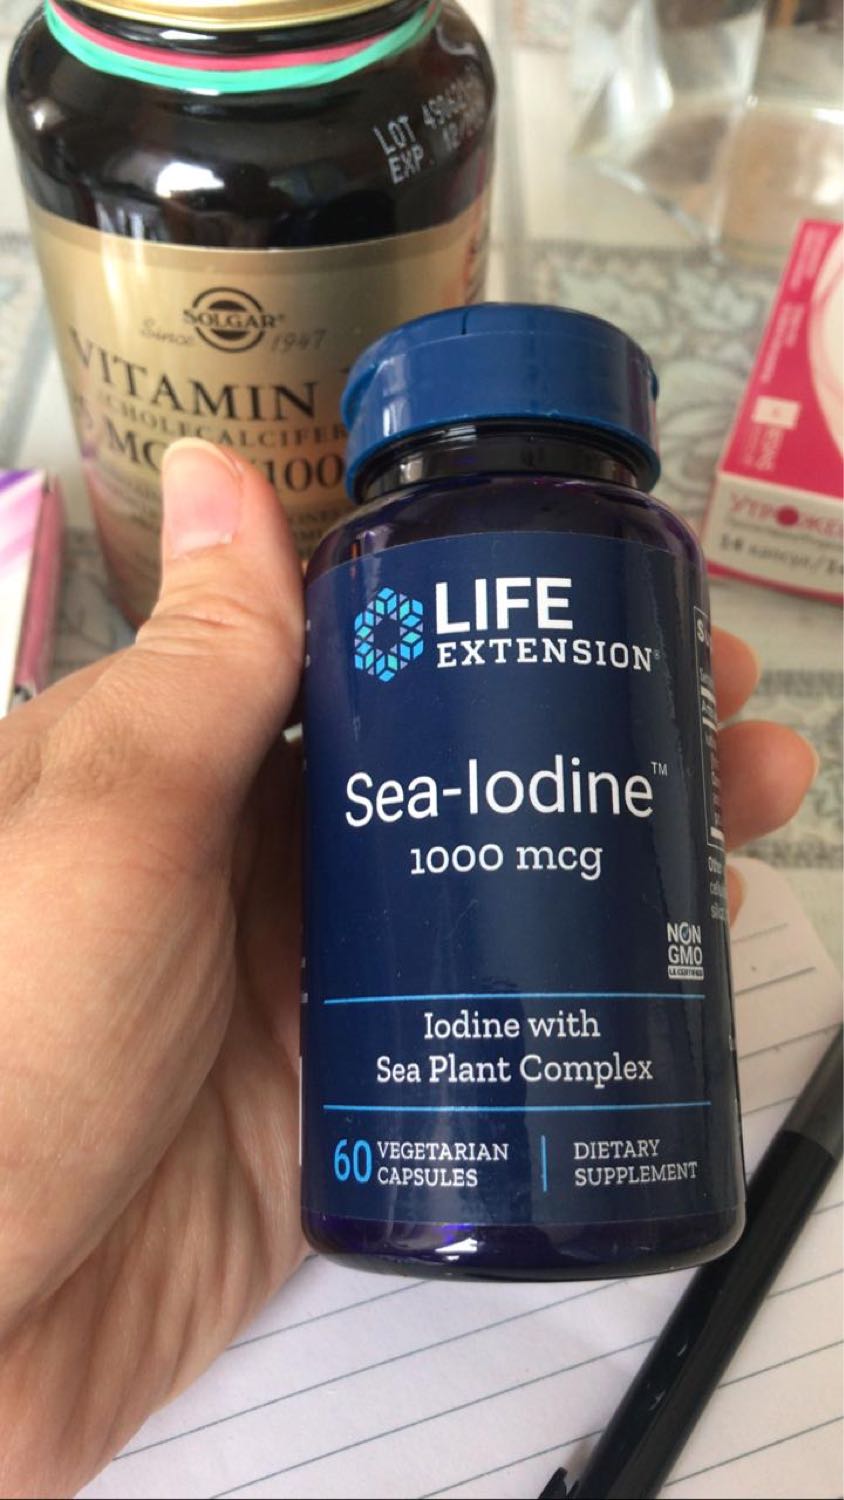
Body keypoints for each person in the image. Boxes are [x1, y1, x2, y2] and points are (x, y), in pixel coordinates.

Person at [0, 439, 818, 1498]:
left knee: (639, 795)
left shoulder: (639, 546)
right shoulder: (370, 556)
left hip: (614, 1132)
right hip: (374, 1125)